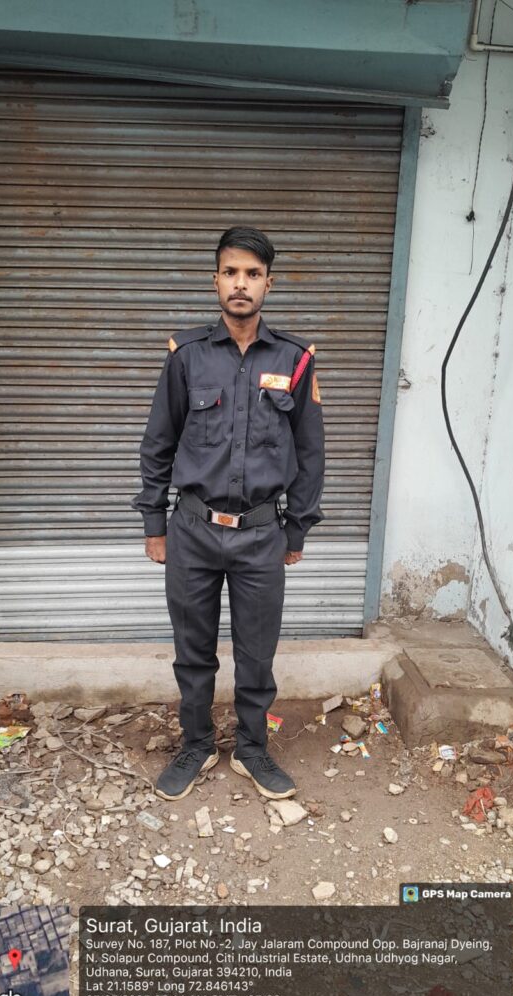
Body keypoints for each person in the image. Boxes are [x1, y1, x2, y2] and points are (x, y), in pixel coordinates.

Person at [132, 226, 325, 801]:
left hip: (261, 534)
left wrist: (297, 529)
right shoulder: (187, 356)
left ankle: (251, 748)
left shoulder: (295, 360)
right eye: (231, 272)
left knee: (257, 654)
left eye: (253, 274)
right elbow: (158, 443)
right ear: (216, 280)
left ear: (269, 284)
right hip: (192, 530)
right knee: (193, 653)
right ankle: (195, 745)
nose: (241, 284)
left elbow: (311, 451)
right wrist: (154, 524)